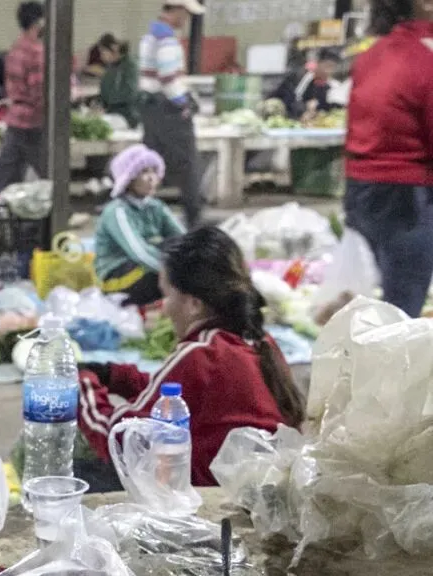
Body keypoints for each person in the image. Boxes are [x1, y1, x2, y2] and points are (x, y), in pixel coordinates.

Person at [79, 228, 306, 487]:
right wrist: (115, 376)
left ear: (194, 304)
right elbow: (179, 392)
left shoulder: (201, 353)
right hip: (257, 489)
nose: (163, 307)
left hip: (209, 500)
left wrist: (83, 384)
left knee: (81, 473)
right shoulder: (260, 342)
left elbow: (120, 438)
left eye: (166, 295)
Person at [344, 0, 433, 318]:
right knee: (401, 308)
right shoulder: (425, 54)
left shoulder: (371, 55)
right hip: (407, 196)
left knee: (368, 304)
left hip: (361, 189)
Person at [138, 0, 204, 227]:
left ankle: (144, 218)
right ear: (177, 10)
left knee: (151, 165)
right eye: (186, 14)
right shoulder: (166, 40)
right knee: (188, 167)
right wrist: (184, 103)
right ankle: (194, 222)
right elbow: (168, 77)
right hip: (168, 110)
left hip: (151, 110)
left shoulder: (149, 37)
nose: (186, 19)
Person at [94, 145, 184, 306]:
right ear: (128, 180)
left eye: (154, 171)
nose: (151, 178)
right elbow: (139, 253)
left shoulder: (156, 206)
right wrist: (175, 275)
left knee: (179, 246)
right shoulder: (117, 211)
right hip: (117, 276)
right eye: (143, 172)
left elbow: (184, 238)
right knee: (163, 275)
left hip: (146, 266)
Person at [0, 2, 44, 194]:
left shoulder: (16, 48)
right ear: (38, 22)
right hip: (32, 121)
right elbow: (38, 90)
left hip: (15, 116)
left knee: (6, 172)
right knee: (51, 170)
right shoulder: (36, 51)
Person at [273, 48, 341, 119]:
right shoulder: (300, 78)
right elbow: (289, 99)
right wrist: (304, 109)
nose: (328, 71)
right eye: (327, 66)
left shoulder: (333, 85)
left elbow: (333, 106)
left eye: (333, 67)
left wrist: (317, 107)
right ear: (318, 63)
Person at [97, 36, 140, 127]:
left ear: (114, 48)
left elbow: (130, 93)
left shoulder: (130, 66)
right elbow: (105, 91)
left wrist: (107, 104)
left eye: (103, 52)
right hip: (111, 112)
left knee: (100, 124)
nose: (101, 56)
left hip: (127, 115)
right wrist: (98, 102)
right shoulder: (111, 67)